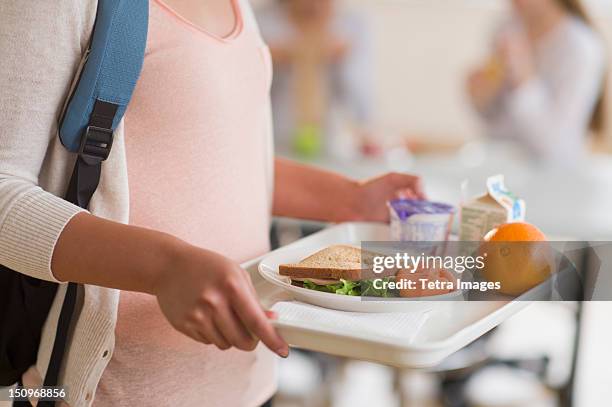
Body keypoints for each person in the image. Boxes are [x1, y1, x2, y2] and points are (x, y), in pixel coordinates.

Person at [0, 1, 424, 406]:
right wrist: (165, 268)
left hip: (248, 384)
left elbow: (217, 157)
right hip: (112, 392)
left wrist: (349, 199)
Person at [466, 0, 606, 163]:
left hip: (556, 174)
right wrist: (482, 101)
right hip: (503, 166)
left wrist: (525, 80)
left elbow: (556, 148)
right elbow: (499, 128)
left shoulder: (581, 47)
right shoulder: (506, 29)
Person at [257, 0, 377, 159]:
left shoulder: (352, 25)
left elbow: (363, 109)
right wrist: (269, 60)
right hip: (272, 147)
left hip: (332, 148)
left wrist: (344, 62)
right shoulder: (260, 23)